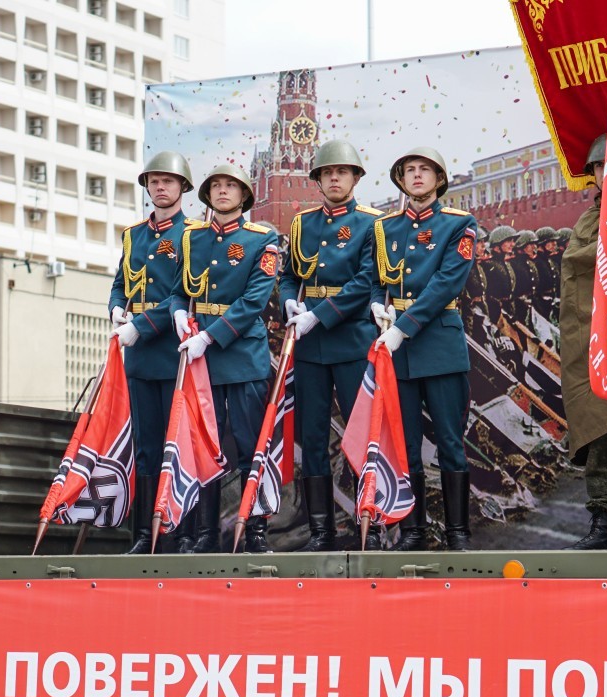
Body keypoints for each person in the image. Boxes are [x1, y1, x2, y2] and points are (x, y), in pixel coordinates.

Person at [367, 146, 478, 551]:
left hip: (439, 345)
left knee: (450, 440)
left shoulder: (459, 224)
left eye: (425, 170)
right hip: (398, 354)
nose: (416, 176)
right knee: (403, 443)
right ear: (400, 179)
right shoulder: (385, 228)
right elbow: (378, 279)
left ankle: (457, 532)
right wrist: (377, 305)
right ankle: (413, 531)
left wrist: (403, 328)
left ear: (439, 179)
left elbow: (446, 284)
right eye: (409, 170)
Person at [169, 163, 281, 554]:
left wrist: (209, 338)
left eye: (230, 186)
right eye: (215, 185)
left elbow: (253, 301)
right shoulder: (193, 238)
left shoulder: (262, 239)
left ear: (245, 195)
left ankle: (255, 531)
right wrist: (179, 312)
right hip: (205, 363)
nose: (222, 191)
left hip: (242, 353)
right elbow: (179, 289)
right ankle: (206, 534)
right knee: (206, 446)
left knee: (251, 446)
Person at [280, 140, 382, 551]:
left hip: (350, 340)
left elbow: (365, 283)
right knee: (313, 437)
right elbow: (289, 274)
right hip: (308, 349)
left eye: (342, 172)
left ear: (356, 178)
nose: (334, 178)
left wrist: (317, 315)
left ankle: (369, 527)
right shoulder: (302, 224)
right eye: (327, 173)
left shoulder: (372, 223)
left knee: (361, 437)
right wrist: (288, 297)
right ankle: (322, 531)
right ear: (318, 180)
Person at [109, 151, 195, 555]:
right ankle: (147, 533)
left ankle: (179, 531)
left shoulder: (193, 234)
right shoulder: (133, 235)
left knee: (174, 445)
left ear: (182, 188)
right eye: (154, 181)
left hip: (174, 350)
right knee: (145, 445)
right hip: (139, 354)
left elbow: (182, 295)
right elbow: (119, 284)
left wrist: (139, 326)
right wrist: (114, 307)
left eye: (168, 181)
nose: (160, 187)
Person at [558, 135, 607, 549]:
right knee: (601, 431)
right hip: (603, 340)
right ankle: (604, 523)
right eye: (598, 168)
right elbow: (576, 275)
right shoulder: (587, 222)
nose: (604, 173)